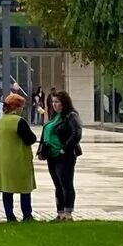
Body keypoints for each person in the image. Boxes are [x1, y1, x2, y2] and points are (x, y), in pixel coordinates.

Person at [0, 92, 37, 222]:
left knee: (7, 188)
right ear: (16, 107)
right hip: (18, 159)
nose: (22, 109)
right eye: (21, 106)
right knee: (24, 187)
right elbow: (31, 139)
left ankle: (10, 216)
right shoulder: (19, 121)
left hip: (2, 159)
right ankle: (27, 215)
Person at [40, 90, 82, 219]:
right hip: (52, 155)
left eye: (57, 102)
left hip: (64, 155)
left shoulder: (71, 115)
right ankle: (60, 212)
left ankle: (68, 212)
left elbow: (76, 133)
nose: (54, 104)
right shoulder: (55, 117)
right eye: (53, 102)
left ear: (64, 103)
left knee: (66, 183)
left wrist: (65, 149)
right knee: (58, 184)